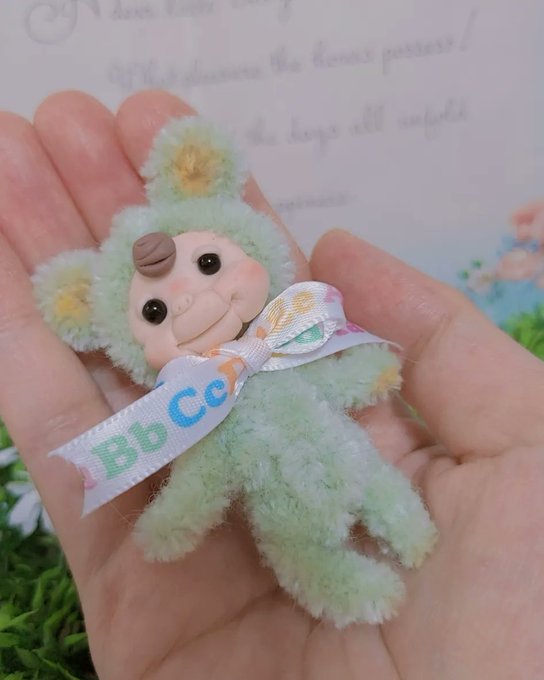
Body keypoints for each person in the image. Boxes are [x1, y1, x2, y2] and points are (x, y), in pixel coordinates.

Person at [0, 90, 543, 680]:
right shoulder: (203, 412)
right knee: (300, 552)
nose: (194, 301)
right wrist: (173, 521)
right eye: (154, 312)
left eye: (209, 264)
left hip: (354, 461)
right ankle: (343, 584)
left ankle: (410, 532)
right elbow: (202, 480)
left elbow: (329, 383)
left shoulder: (283, 349)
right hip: (288, 516)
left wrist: (370, 373)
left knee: (381, 485)